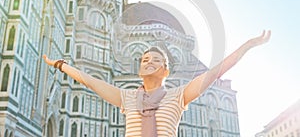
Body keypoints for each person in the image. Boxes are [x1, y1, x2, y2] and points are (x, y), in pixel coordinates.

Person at [43, 30, 271, 137]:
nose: (148, 62)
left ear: (166, 70)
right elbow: (89, 81)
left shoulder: (179, 95)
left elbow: (216, 71)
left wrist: (248, 45)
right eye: (144, 59)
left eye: (156, 60)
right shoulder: (127, 97)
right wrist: (60, 64)